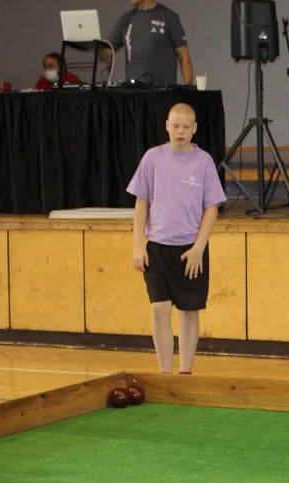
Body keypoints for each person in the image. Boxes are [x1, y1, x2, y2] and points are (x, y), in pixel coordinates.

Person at [128, 103, 226, 374]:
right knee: (159, 309)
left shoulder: (203, 161)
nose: (180, 132)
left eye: (186, 127)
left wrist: (198, 248)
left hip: (189, 251)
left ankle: (185, 372)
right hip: (157, 248)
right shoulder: (152, 158)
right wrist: (138, 245)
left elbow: (212, 208)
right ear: (166, 126)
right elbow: (141, 202)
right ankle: (165, 373)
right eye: (175, 126)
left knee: (188, 311)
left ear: (194, 129)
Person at [103, 0, 193, 86]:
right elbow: (106, 52)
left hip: (164, 95)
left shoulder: (168, 17)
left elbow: (184, 57)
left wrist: (188, 92)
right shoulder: (125, 19)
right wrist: (93, 44)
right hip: (135, 96)